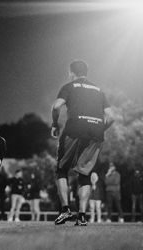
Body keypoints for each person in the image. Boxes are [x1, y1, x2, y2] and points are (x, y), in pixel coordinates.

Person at [51, 60, 114, 226]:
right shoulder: (99, 90)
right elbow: (111, 116)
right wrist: (100, 128)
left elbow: (57, 107)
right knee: (84, 173)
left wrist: (55, 124)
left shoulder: (69, 86)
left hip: (74, 129)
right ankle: (82, 216)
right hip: (96, 132)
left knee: (61, 169)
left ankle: (65, 210)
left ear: (71, 72)